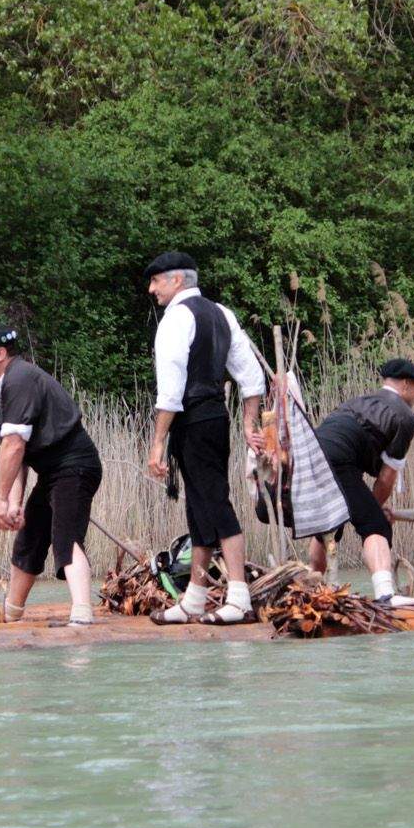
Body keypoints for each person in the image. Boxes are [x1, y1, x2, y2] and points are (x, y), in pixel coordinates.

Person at [141, 252, 268, 623]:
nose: (152, 289)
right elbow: (251, 376)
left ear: (177, 281)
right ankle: (194, 599)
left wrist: (158, 442)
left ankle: (240, 597)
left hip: (192, 419)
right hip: (215, 416)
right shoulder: (222, 313)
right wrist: (247, 422)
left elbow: (171, 387)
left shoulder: (175, 319)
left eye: (156, 281)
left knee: (214, 503)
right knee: (199, 508)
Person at [0, 322, 105, 624]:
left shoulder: (20, 380)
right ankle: (11, 613)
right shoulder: (3, 386)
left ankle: (82, 615)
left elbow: (13, 447)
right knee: (30, 537)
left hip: (75, 466)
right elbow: (19, 453)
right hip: (53, 471)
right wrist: (14, 503)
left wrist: (0, 500)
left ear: (1, 353)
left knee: (66, 538)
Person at [307, 359, 414, 607]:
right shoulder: (406, 417)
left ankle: (313, 589)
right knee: (375, 525)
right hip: (338, 459)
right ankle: (386, 594)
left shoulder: (358, 401)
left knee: (329, 523)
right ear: (406, 384)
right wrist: (373, 509)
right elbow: (386, 478)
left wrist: (365, 505)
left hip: (311, 454)